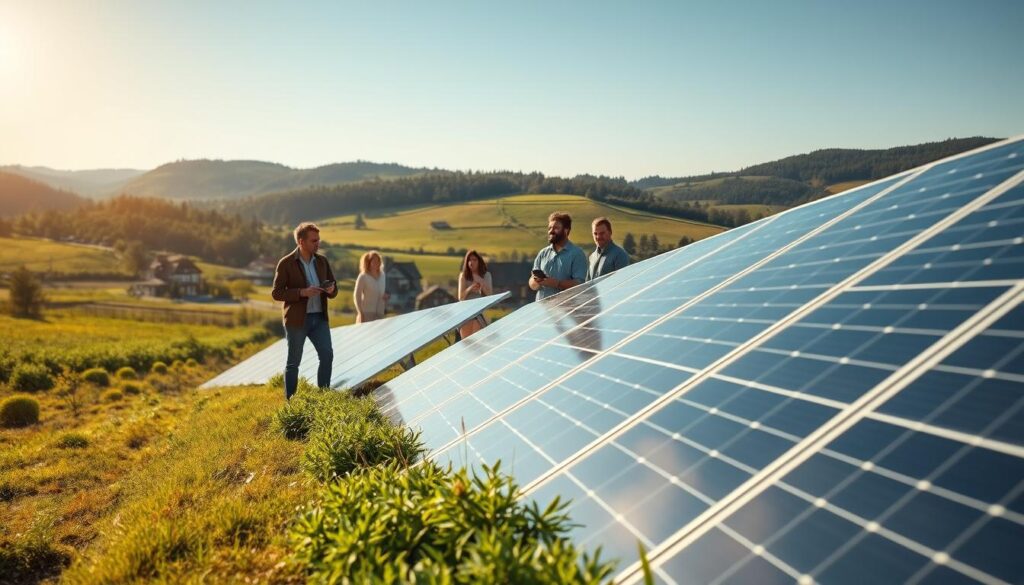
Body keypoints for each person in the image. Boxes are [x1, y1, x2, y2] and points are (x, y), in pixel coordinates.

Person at [271, 222, 338, 400]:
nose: (318, 244)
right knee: (293, 363)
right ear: (301, 241)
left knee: (327, 355)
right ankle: (291, 402)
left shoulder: (322, 261)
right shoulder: (285, 263)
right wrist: (302, 292)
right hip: (297, 320)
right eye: (313, 240)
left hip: (319, 318)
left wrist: (331, 290)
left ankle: (323, 397)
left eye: (318, 240)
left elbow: (334, 287)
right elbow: (277, 293)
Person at [529, 211, 587, 301]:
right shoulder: (543, 253)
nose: (551, 231)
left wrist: (556, 283)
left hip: (565, 310)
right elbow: (532, 283)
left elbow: (579, 285)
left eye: (556, 228)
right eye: (549, 228)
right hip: (542, 310)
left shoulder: (577, 254)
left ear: (566, 230)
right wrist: (536, 281)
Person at [457, 249, 493, 338]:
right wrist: (470, 288)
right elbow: (460, 297)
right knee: (467, 342)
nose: (471, 262)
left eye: (474, 260)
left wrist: (480, 282)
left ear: (479, 261)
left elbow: (489, 295)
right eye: (469, 260)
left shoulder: (486, 275)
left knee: (478, 341)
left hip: (480, 311)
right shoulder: (463, 276)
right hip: (466, 312)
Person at [586, 217, 630, 281]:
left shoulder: (620, 255)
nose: (598, 237)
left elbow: (623, 283)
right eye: (595, 233)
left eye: (602, 233)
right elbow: (587, 285)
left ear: (610, 232)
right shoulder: (592, 257)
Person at [354, 250, 388, 323]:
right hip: (366, 314)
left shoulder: (383, 276)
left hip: (380, 314)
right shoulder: (363, 276)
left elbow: (381, 292)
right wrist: (361, 313)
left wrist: (385, 297)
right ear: (368, 263)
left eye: (378, 260)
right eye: (374, 261)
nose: (377, 263)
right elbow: (357, 296)